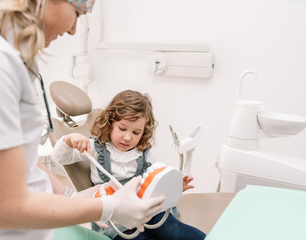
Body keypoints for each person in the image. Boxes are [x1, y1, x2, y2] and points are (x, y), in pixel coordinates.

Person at [0, 1, 166, 240]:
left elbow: (19, 156)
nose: (74, 30)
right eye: (77, 13)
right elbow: (4, 207)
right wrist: (108, 207)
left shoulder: (6, 53)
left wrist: (69, 197)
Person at [52, 90, 206, 240]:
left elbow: (152, 184)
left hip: (145, 209)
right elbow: (59, 158)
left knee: (174, 230)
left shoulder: (143, 153)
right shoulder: (95, 148)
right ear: (110, 123)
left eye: (136, 132)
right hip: (115, 216)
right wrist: (69, 139)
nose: (127, 137)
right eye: (122, 128)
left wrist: (173, 188)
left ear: (143, 132)